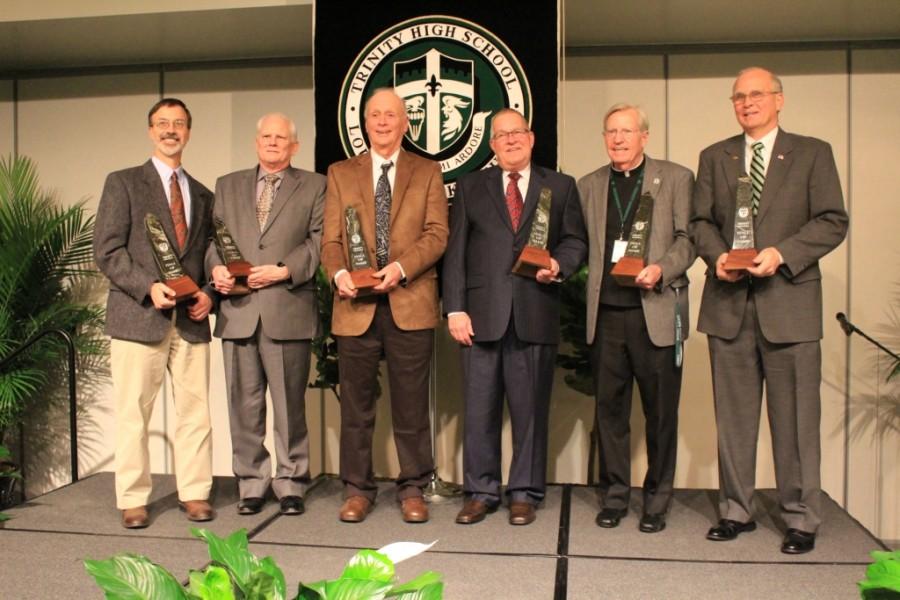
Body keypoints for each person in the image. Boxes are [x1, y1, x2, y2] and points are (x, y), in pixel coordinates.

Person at [691, 67, 848, 554]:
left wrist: (781, 254)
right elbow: (698, 222)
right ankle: (735, 510)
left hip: (790, 302)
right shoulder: (715, 157)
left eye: (756, 94)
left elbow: (832, 220)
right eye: (738, 96)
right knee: (733, 419)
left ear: (779, 100)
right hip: (729, 305)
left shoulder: (812, 153)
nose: (747, 102)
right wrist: (718, 257)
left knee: (796, 419)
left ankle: (800, 516)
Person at [444, 108, 587, 526]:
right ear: (492, 145)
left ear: (532, 137)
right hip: (480, 316)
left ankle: (524, 492)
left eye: (517, 132)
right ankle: (480, 491)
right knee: (479, 411)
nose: (510, 140)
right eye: (501, 135)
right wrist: (454, 308)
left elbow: (576, 240)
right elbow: (455, 253)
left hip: (534, 312)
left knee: (530, 412)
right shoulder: (471, 187)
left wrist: (559, 265)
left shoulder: (560, 186)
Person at [321, 88, 448, 523]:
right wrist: (339, 275)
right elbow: (331, 240)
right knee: (356, 407)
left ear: (405, 122)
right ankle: (357, 489)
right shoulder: (340, 173)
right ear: (364, 121)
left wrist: (400, 268)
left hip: (408, 301)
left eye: (390, 115)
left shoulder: (427, 171)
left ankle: (412, 487)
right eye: (374, 114)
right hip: (354, 307)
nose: (381, 122)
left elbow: (436, 234)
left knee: (411, 406)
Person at [93, 98, 216, 529]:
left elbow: (207, 257)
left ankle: (196, 493)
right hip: (138, 316)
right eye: (162, 123)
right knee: (133, 414)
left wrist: (208, 294)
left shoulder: (203, 193)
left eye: (178, 123)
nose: (170, 130)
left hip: (191, 323)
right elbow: (107, 250)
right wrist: (148, 288)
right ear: (150, 131)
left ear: (188, 132)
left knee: (196, 414)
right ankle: (133, 499)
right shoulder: (123, 183)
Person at [578, 103, 695, 533]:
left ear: (645, 136)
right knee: (609, 412)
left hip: (656, 312)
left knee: (661, 413)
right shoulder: (589, 185)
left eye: (627, 131)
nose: (618, 139)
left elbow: (689, 239)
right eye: (611, 131)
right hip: (606, 314)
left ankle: (656, 501)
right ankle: (614, 497)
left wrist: (661, 267)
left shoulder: (677, 178)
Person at [207, 113, 326, 516]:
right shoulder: (227, 185)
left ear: (294, 146)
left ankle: (291, 481)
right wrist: (215, 269)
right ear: (256, 142)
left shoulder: (315, 185)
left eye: (282, 138)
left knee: (290, 405)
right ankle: (251, 483)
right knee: (243, 404)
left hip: (286, 307)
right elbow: (213, 241)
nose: (273, 143)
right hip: (238, 310)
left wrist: (284, 269)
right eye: (266, 136)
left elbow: (319, 241)